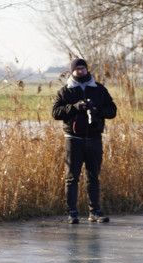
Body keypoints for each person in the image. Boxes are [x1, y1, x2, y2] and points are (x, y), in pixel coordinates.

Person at [51, 58, 117, 224]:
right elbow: (56, 113)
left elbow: (112, 111)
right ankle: (72, 213)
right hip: (73, 139)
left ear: (87, 70)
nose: (80, 71)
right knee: (72, 177)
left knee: (93, 176)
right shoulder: (65, 91)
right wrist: (75, 107)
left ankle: (95, 212)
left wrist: (97, 110)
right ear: (72, 71)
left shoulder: (99, 89)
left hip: (94, 138)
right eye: (77, 69)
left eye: (83, 68)